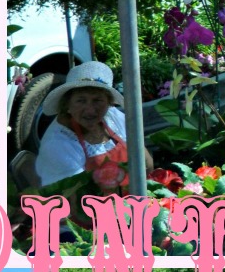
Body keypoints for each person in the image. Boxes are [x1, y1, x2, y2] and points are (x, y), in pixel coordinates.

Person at [35, 61, 152, 191]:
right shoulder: (57, 145)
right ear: (67, 103)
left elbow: (146, 164)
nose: (90, 110)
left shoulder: (112, 116)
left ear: (108, 103)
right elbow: (77, 200)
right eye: (81, 101)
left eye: (97, 100)